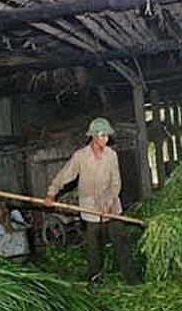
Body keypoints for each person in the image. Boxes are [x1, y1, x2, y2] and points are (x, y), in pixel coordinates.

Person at [45, 117, 141, 285]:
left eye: (107, 136)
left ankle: (133, 280)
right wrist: (51, 192)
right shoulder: (81, 157)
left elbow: (116, 181)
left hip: (112, 209)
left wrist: (110, 202)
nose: (106, 139)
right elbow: (65, 174)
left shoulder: (111, 155)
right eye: (103, 135)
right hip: (90, 210)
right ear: (93, 136)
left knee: (121, 243)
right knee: (93, 249)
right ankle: (94, 281)